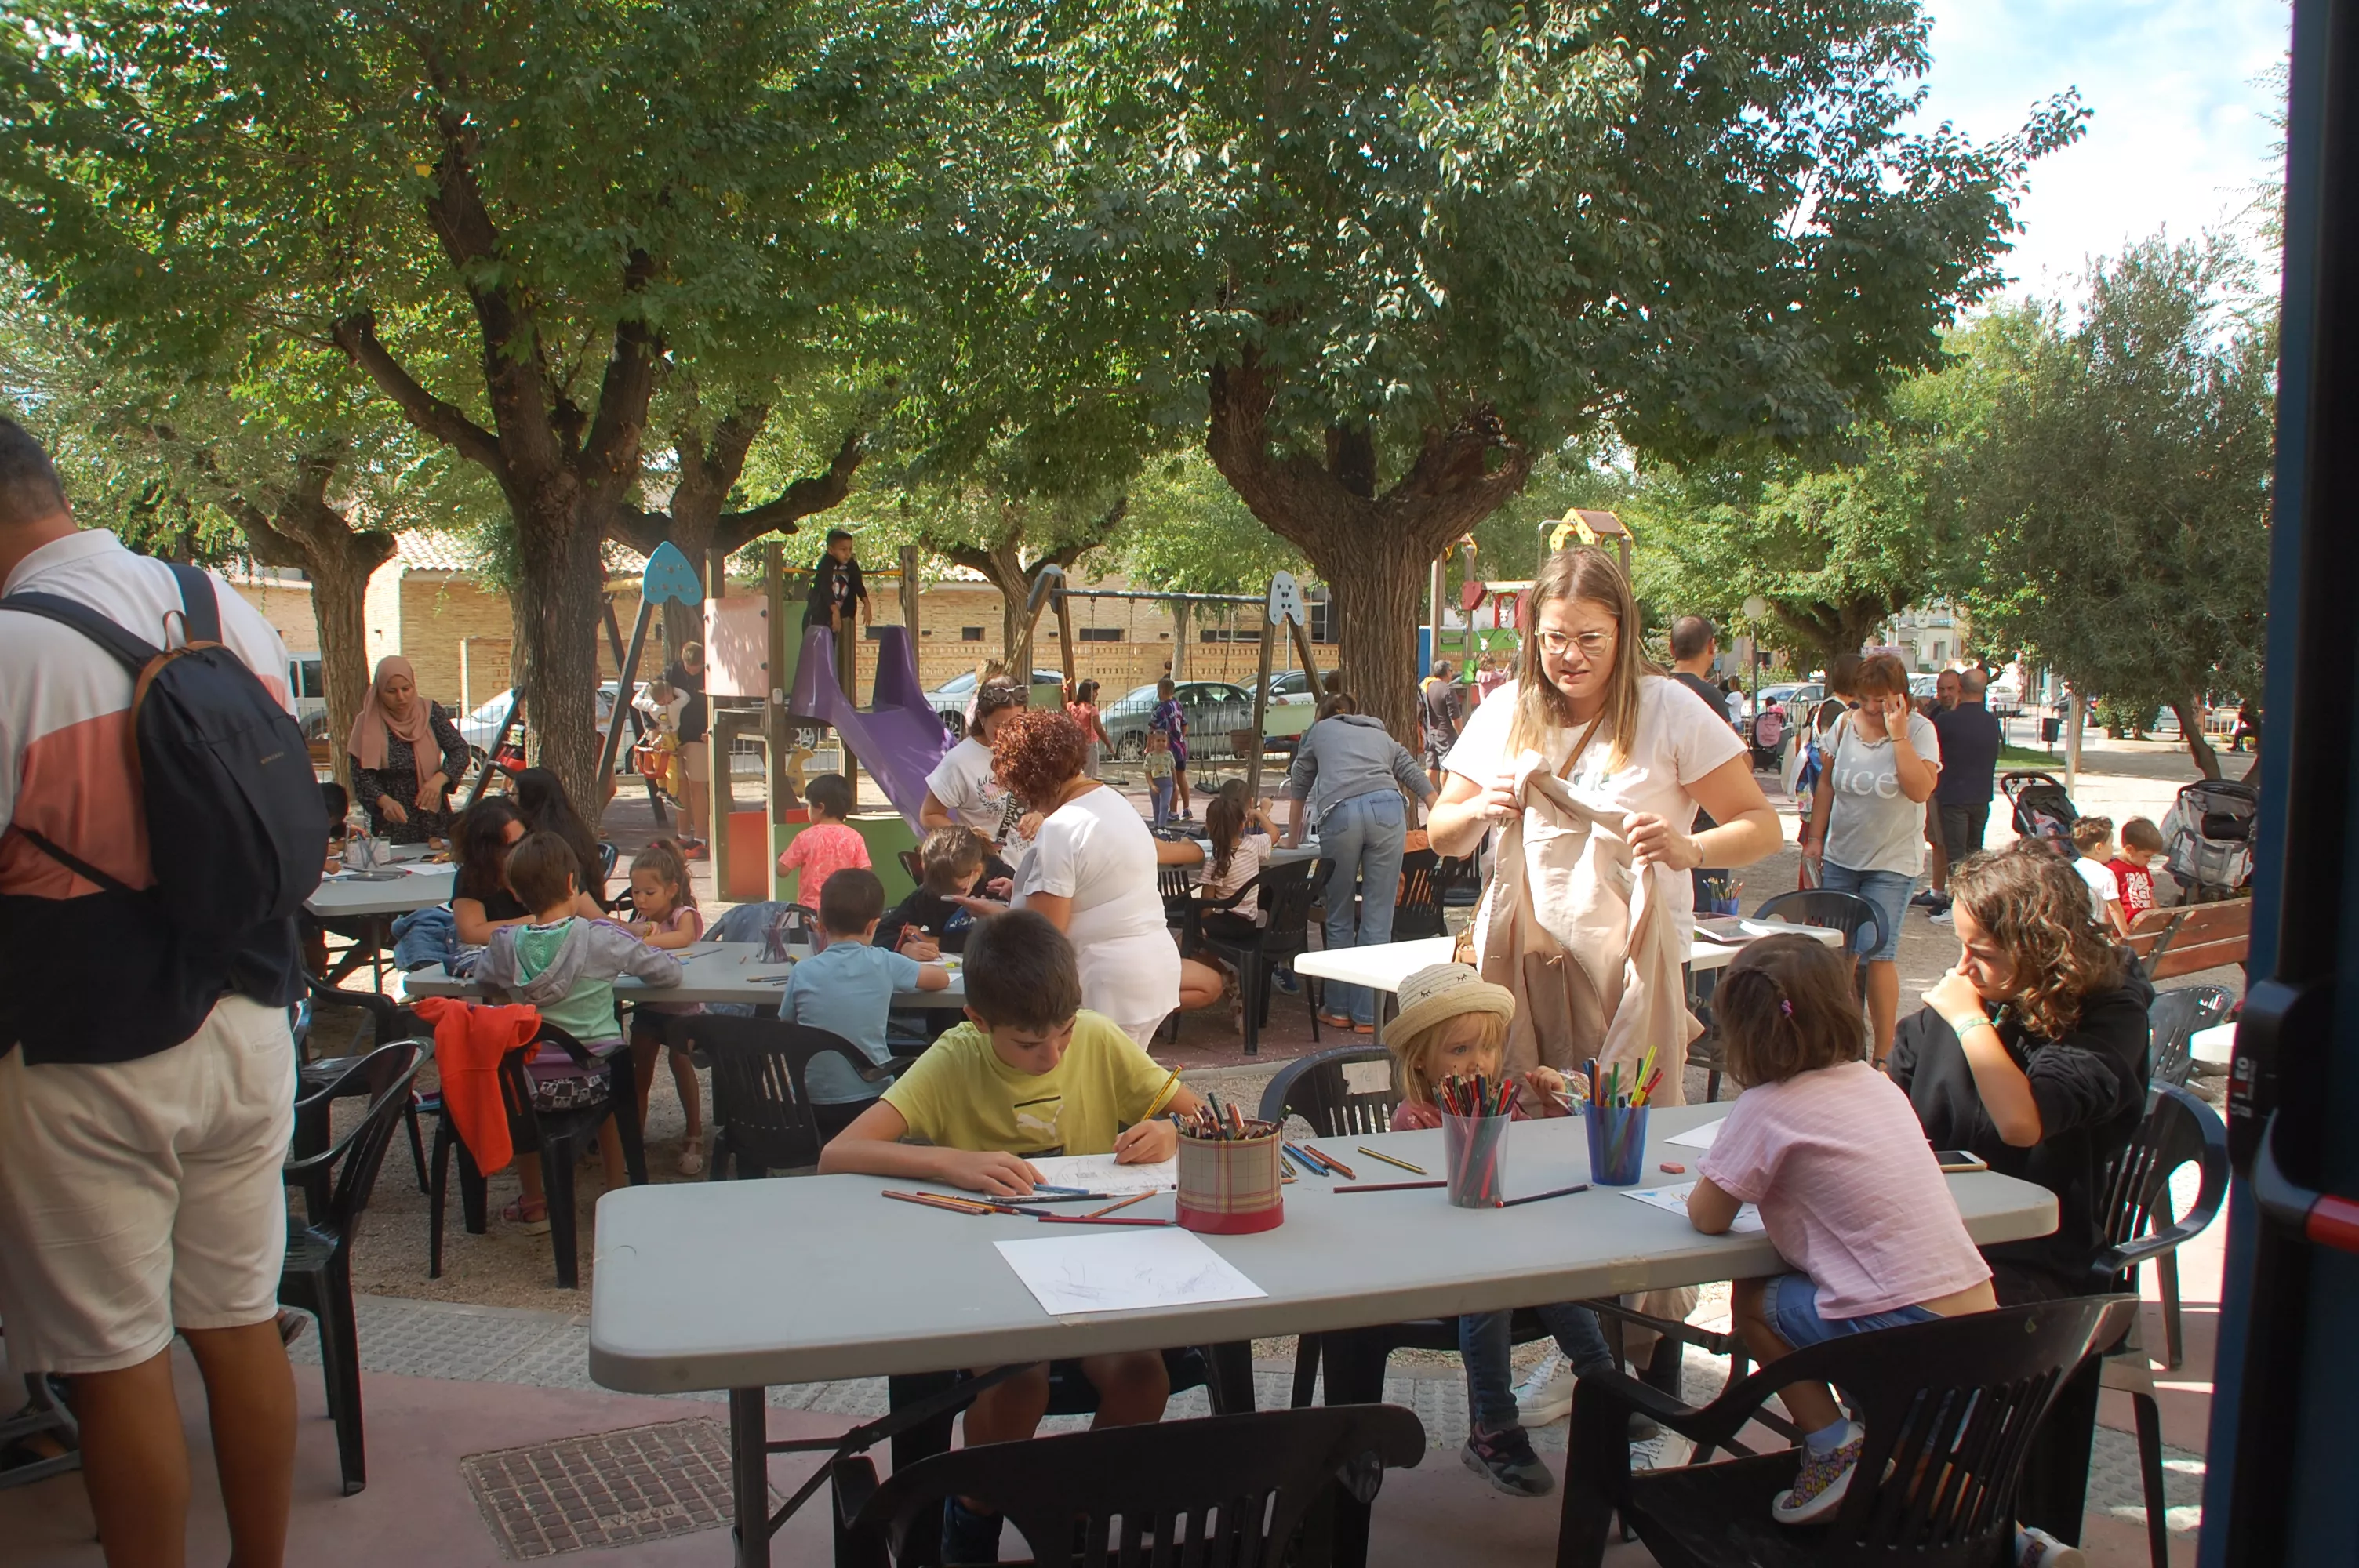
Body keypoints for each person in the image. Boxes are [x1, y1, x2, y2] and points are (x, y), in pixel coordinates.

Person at [0, 419, 311, 1567]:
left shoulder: (9, 650)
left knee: (115, 1352)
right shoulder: (223, 608)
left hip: (91, 1042)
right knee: (238, 1322)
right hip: (251, 1019)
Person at [816, 909, 1202, 1564]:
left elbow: (1207, 1119)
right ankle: (975, 1516)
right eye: (1028, 1044)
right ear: (979, 1020)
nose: (1051, 1054)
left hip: (1088, 1268)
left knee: (1143, 1378)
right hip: (987, 1278)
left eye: (1063, 1033)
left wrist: (1171, 1132)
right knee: (1020, 1384)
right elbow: (839, 1153)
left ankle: (1075, 1515)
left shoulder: (1099, 1040)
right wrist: (948, 1159)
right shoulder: (954, 1058)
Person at [1688, 935, 1997, 1526]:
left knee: (1755, 1299)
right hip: (1984, 1325)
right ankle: (2016, 1540)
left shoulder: (1765, 1107)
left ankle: (1832, 1444)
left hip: (1902, 1333)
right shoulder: (1875, 1083)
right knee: (1909, 1460)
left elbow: (1707, 1216)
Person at [1378, 964, 1608, 1497]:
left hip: (1506, 1247)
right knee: (1491, 1293)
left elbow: (1531, 1162)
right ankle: (1494, 1428)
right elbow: (1417, 1200)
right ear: (1421, 1060)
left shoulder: (1499, 1105)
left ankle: (1601, 1376)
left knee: (1557, 1276)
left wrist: (1549, 1105)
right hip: (1441, 1255)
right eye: (1458, 1050)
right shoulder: (1414, 1119)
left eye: (1486, 1048)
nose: (1477, 1062)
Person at [478, 833, 682, 1228]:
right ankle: (614, 1188)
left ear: (517, 894)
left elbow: (484, 979)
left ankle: (534, 1202)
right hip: (595, 1077)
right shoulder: (600, 938)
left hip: (530, 1082)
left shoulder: (505, 945)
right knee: (611, 1067)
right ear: (573, 883)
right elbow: (667, 973)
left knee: (517, 1090)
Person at [958, 710, 1182, 1046]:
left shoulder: (1061, 828)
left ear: (1032, 780)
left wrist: (996, 915)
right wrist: (1021, 890)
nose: (1023, 800)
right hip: (1153, 971)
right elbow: (1096, 885)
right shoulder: (1113, 801)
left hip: (1106, 984)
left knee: (1094, 1090)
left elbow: (1045, 932)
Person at [1798, 652, 1941, 1065]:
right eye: (1866, 699)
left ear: (1900, 696)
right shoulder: (1844, 724)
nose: (1874, 708)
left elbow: (1920, 791)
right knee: (1840, 955)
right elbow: (1826, 783)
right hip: (1843, 855)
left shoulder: (1920, 730)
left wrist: (1898, 736)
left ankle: (1883, 1056)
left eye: (1883, 700)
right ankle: (1842, 1047)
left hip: (1892, 861)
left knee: (1878, 952)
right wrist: (1815, 837)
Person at [1282, 692, 1434, 1033]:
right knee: (1377, 919)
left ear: (1322, 717)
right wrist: (1439, 813)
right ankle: (1369, 1017)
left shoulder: (1318, 732)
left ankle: (1337, 1009)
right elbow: (1412, 771)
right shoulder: (1379, 734)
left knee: (1338, 915)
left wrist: (1292, 840)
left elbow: (1300, 784)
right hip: (1388, 809)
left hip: (1341, 814)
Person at [783, 868, 952, 1137]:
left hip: (810, 1101)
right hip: (870, 1097)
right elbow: (941, 979)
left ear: (821, 923)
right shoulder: (884, 962)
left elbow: (786, 1027)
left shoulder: (801, 971)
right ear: (874, 925)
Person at [622, 840, 709, 1176]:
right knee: (638, 1073)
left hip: (683, 1011)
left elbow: (683, 938)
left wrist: (639, 939)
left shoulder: (681, 915)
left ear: (672, 890)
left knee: (681, 1065)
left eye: (649, 892)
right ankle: (634, 1137)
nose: (640, 900)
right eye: (635, 892)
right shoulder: (641, 919)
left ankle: (695, 1134)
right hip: (648, 1010)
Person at [347, 653, 470, 844]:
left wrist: (439, 779)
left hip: (432, 814)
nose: (401, 697)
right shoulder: (367, 722)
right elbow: (361, 774)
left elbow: (460, 751)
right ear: (379, 691)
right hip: (392, 818)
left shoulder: (430, 712)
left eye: (406, 689)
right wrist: (383, 801)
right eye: (391, 691)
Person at [1198, 785, 1282, 1033]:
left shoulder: (1216, 862)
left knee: (1189, 939)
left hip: (1226, 923)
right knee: (1198, 936)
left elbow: (1206, 907)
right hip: (1248, 924)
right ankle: (1232, 986)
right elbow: (1275, 834)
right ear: (1243, 825)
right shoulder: (1254, 846)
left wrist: (1202, 922)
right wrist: (1259, 814)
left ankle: (1227, 980)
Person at [1925, 666, 2003, 924]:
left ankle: (1957, 906)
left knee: (1956, 855)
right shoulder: (1991, 721)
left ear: (1960, 688)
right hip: (1981, 795)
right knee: (1975, 852)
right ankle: (1976, 902)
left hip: (1953, 796)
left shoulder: (1947, 722)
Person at [921, 677, 1029, 850]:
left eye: (1017, 724)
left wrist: (1042, 815)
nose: (1009, 733)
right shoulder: (959, 760)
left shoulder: (1031, 749)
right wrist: (972, 839)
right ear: (981, 717)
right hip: (992, 871)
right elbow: (929, 815)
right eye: (1000, 726)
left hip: (1035, 869)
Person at [1667, 616, 1729, 905]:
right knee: (1706, 913)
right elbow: (1735, 759)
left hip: (1665, 821)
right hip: (1703, 821)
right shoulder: (1710, 697)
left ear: (1671, 648)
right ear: (1711, 647)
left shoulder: (1655, 692)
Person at [879, 826, 992, 958]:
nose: (951, 896)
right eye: (942, 892)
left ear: (977, 871)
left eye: (958, 889)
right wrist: (906, 947)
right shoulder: (930, 891)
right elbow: (881, 931)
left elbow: (1001, 939)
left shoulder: (999, 882)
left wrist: (935, 941)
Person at [513, 766, 610, 908]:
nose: (509, 799)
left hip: (569, 913)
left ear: (528, 799)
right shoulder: (572, 825)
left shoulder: (542, 841)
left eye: (513, 794)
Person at [776, 771, 873, 906]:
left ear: (820, 807)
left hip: (810, 914)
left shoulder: (805, 837)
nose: (808, 810)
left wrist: (783, 857)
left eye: (809, 805)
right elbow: (865, 872)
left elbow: (782, 871)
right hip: (844, 911)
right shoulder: (855, 837)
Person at [1912, 670, 1963, 909]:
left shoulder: (1962, 716)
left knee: (1949, 843)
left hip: (1954, 790)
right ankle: (1937, 889)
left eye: (1950, 689)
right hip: (1934, 788)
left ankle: (1952, 895)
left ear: (1960, 689)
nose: (1945, 694)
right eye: (1941, 689)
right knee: (1935, 839)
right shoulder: (1935, 714)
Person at [662, 641, 710, 855]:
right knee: (679, 785)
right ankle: (683, 835)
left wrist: (711, 729)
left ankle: (701, 839)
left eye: (696, 668)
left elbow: (722, 702)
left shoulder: (710, 673)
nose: (692, 672)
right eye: (689, 667)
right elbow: (654, 695)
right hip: (675, 737)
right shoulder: (671, 672)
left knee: (698, 787)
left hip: (698, 736)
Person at [2069, 816, 2132, 938]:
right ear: (2099, 847)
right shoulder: (2105, 874)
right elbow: (2114, 909)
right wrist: (2125, 933)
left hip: (2077, 929)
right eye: (2111, 844)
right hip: (2098, 930)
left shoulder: (2072, 868)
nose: (2112, 848)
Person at [804, 527, 872, 633]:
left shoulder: (851, 564)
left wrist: (866, 603)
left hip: (840, 614)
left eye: (850, 549)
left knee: (833, 643)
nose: (848, 554)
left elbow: (857, 582)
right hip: (819, 614)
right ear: (831, 550)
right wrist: (835, 611)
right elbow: (825, 587)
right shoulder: (826, 564)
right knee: (818, 644)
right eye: (843, 550)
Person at [1150, 677, 1194, 820]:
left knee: (1171, 780)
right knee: (1181, 777)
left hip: (1169, 749)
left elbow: (1153, 729)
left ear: (1161, 691)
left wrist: (1149, 746)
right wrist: (1180, 738)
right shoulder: (1178, 705)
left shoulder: (1160, 709)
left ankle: (1173, 812)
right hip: (1181, 746)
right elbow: (1185, 725)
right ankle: (1187, 809)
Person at [1419, 659, 1466, 790]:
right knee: (1446, 767)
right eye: (1451, 671)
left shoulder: (1426, 686)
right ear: (1447, 672)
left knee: (1431, 767)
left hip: (1430, 733)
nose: (1452, 673)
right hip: (1446, 734)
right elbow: (1455, 717)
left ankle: (1426, 795)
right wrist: (1461, 734)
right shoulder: (1447, 689)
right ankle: (1445, 794)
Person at [2109, 818, 2167, 922]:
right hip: (2127, 924)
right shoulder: (2113, 870)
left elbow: (2149, 894)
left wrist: (2159, 915)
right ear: (2129, 850)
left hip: (2147, 922)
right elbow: (2111, 903)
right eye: (2146, 856)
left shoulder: (2142, 867)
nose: (2149, 860)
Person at [1066, 677, 1112, 779]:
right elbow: (1098, 728)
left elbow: (1064, 703)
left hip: (1078, 743)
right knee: (1090, 774)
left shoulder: (1074, 706)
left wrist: (1065, 690)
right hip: (1090, 744)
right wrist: (1109, 745)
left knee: (1079, 772)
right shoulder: (1092, 709)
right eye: (1094, 692)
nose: (1097, 694)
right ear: (1087, 693)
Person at [1142, 727, 1177, 828]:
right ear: (1153, 742)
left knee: (1165, 805)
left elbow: (1173, 769)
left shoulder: (1169, 755)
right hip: (1155, 783)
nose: (1161, 743)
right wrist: (1152, 785)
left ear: (1167, 742)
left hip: (1167, 783)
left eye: (1163, 741)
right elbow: (1147, 772)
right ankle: (1156, 824)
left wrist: (1175, 783)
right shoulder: (1150, 757)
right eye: (1158, 741)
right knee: (1156, 807)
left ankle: (1162, 825)